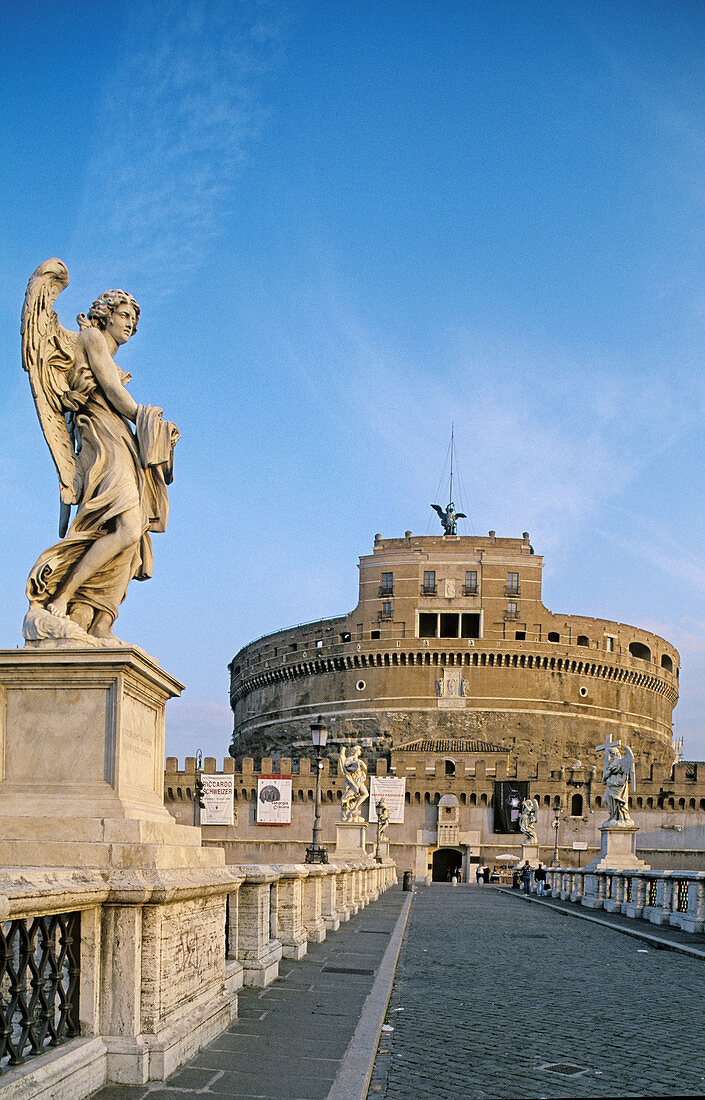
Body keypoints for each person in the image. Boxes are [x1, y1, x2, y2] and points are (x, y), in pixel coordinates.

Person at [23, 263, 179, 643]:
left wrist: (155, 431)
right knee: (124, 526)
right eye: (124, 315)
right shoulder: (89, 339)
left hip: (120, 439)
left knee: (132, 527)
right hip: (102, 442)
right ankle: (62, 597)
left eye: (134, 320)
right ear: (105, 315)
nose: (130, 325)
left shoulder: (104, 350)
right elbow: (112, 391)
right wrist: (148, 417)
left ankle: (98, 620)